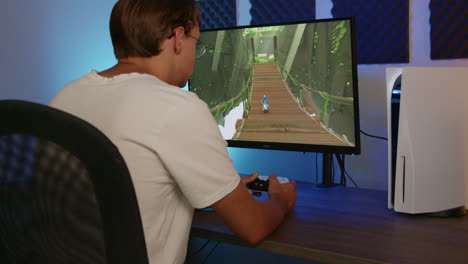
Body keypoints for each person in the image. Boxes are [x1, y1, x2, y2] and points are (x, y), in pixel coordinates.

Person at [49, 0, 297, 263]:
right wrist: (281, 199)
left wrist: (221, 189)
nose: (194, 54)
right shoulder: (177, 107)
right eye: (196, 43)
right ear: (178, 38)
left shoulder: (65, 96)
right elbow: (253, 226)